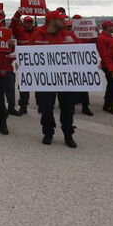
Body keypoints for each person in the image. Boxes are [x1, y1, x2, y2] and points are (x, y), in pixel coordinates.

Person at [29, 11, 80, 148]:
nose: (64, 21)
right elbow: (28, 54)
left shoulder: (70, 36)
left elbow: (81, 53)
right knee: (45, 109)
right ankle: (48, 133)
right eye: (61, 19)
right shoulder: (37, 35)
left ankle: (68, 134)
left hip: (66, 79)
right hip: (45, 79)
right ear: (52, 21)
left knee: (68, 109)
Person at [9, 13, 38, 115]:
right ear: (24, 23)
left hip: (37, 63)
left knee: (39, 84)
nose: (29, 24)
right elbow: (13, 25)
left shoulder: (38, 31)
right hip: (23, 64)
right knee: (23, 85)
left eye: (31, 22)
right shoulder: (19, 32)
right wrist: (18, 14)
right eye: (27, 22)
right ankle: (23, 106)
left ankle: (41, 105)